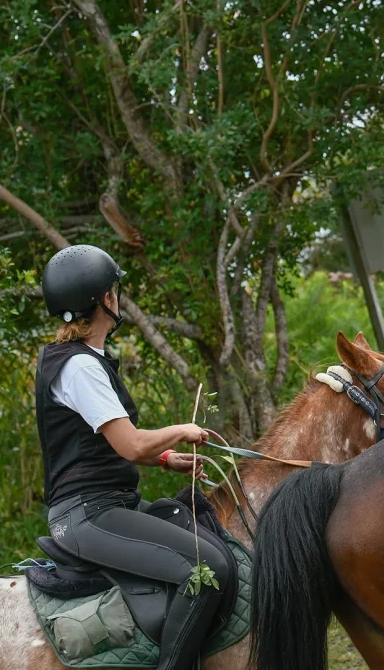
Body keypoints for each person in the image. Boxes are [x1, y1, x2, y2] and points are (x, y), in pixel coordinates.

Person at [36, 244, 229, 670]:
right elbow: (131, 444)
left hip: (106, 506)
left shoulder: (86, 361)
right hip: (87, 515)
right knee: (208, 568)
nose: (117, 296)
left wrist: (164, 460)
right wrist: (182, 430)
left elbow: (104, 444)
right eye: (114, 289)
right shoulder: (80, 369)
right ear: (103, 299)